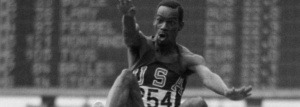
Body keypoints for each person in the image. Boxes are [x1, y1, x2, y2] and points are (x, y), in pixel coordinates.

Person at [105, 0, 252, 107]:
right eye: (160, 21)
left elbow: (208, 76)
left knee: (198, 103)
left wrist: (226, 91)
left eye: (170, 22)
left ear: (180, 26)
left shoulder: (186, 58)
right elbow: (129, 35)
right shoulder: (141, 45)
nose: (164, 27)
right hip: (138, 104)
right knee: (126, 75)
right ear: (154, 22)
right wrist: (128, 17)